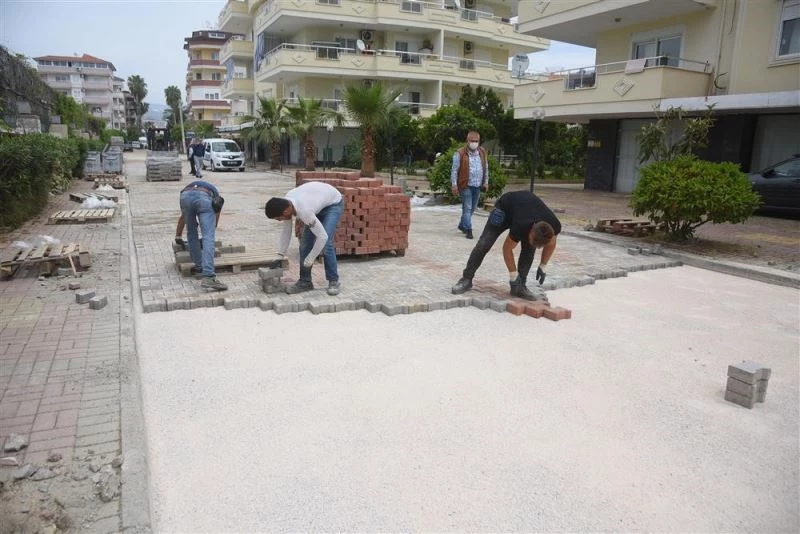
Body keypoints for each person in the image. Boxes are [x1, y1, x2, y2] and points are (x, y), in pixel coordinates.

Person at [451, 190, 560, 301]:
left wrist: (543, 266)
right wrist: (513, 276)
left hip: (524, 212)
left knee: (529, 249)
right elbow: (507, 249)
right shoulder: (521, 224)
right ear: (531, 230)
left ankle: (520, 287)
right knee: (484, 244)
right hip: (504, 209)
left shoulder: (554, 224)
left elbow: (551, 244)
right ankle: (466, 279)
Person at [264, 181, 345, 296]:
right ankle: (305, 282)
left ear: (286, 211)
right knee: (305, 244)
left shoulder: (305, 211)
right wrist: (280, 255)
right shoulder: (286, 203)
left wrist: (311, 258)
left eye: (279, 218)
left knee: (326, 244)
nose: (279, 220)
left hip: (332, 204)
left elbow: (322, 237)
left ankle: (333, 281)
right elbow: (286, 231)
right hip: (316, 203)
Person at [175, 180, 227, 291]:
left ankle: (199, 267)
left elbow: (183, 217)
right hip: (204, 198)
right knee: (208, 236)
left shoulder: (191, 188)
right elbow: (216, 215)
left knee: (191, 234)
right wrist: (212, 228)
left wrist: (178, 236)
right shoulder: (216, 197)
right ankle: (208, 276)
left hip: (184, 196)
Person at [450, 130, 488, 240]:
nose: (474, 143)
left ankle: (462, 225)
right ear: (467, 140)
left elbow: (486, 168)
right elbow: (454, 170)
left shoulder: (482, 152)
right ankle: (469, 229)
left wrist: (486, 181)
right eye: (472, 141)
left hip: (477, 185)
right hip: (465, 185)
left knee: (472, 208)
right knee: (467, 208)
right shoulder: (460, 153)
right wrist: (454, 185)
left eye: (476, 141)